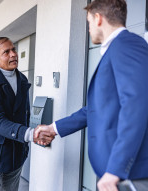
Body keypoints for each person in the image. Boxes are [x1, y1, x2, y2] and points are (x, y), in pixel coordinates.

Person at [35, 0, 148, 190]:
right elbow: (96, 109)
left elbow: (136, 105)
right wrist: (54, 128)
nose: (88, 29)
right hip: (112, 173)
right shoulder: (115, 49)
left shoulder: (127, 45)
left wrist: (116, 169)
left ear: (98, 18)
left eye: (88, 22)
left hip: (126, 174)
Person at [0, 37, 53, 191]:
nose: (13, 54)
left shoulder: (22, 79)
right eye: (6, 52)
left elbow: (25, 114)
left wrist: (25, 145)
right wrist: (30, 134)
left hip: (16, 154)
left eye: (14, 49)